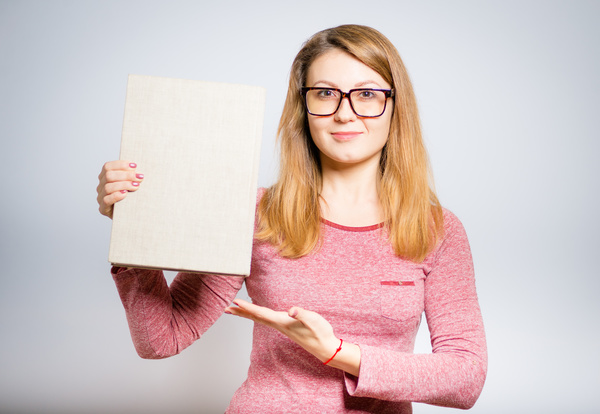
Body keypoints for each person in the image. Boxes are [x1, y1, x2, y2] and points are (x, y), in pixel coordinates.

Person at [97, 24, 487, 413]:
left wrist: (337, 353)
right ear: (304, 108)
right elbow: (161, 339)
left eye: (367, 94)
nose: (344, 113)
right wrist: (132, 228)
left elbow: (465, 378)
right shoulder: (254, 215)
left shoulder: (437, 231)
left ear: (395, 105)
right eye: (325, 94)